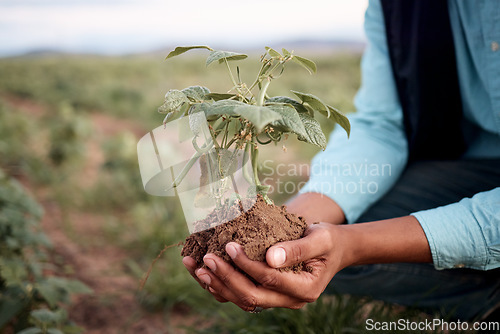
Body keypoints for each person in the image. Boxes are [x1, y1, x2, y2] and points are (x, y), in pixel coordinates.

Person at [182, 0, 500, 322]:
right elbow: (382, 125)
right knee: (318, 256)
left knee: (350, 249)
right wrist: (292, 228)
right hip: (470, 165)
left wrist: (353, 245)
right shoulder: (396, 7)